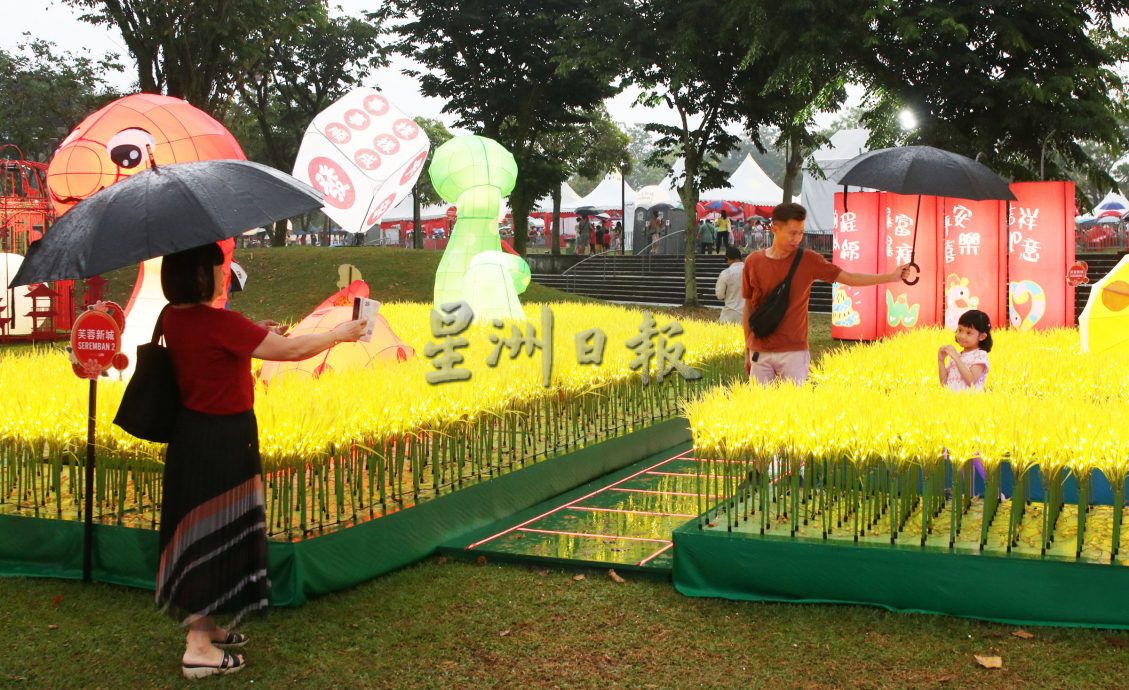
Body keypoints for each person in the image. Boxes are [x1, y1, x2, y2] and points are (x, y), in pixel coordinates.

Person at [157, 243, 367, 679]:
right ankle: (198, 647)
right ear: (200, 274)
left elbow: (220, 348)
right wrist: (339, 335)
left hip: (192, 437)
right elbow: (290, 352)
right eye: (219, 267)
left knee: (204, 529)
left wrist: (255, 332)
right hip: (223, 440)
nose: (225, 273)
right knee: (217, 532)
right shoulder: (221, 323)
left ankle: (208, 628)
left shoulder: (173, 318)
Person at [742, 202, 911, 385]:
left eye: (800, 232)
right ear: (775, 229)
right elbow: (749, 306)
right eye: (792, 233)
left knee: (794, 409)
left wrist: (891, 277)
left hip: (794, 352)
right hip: (760, 351)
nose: (797, 238)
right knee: (760, 409)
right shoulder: (753, 262)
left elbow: (849, 278)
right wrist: (747, 349)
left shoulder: (808, 260)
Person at [938, 309, 992, 391]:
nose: (962, 336)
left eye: (968, 333)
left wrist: (956, 358)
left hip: (970, 401)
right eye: (960, 330)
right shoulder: (958, 356)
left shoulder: (980, 355)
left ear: (982, 337)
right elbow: (944, 383)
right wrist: (941, 361)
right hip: (951, 401)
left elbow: (971, 382)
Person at [715, 245, 745, 324]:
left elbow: (719, 295)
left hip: (729, 315)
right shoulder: (750, 271)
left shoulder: (726, 273)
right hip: (748, 315)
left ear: (728, 259)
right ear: (740, 257)